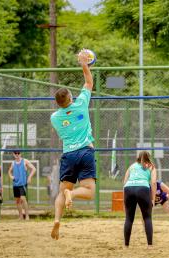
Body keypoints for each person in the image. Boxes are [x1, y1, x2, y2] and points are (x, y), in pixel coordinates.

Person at [50, 49, 96, 240]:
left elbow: (64, 114)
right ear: (70, 99)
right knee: (89, 191)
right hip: (85, 151)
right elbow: (88, 82)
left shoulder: (54, 117)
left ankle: (57, 221)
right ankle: (73, 194)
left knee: (61, 192)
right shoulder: (81, 104)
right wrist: (84, 63)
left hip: (68, 155)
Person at [123, 151, 157, 247]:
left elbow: (125, 182)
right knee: (147, 218)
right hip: (143, 189)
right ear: (149, 158)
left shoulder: (132, 166)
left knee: (129, 218)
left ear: (138, 157)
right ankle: (149, 245)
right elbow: (153, 183)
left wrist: (124, 198)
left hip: (128, 189)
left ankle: (126, 245)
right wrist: (153, 199)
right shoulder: (151, 167)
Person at [8, 151, 36, 220]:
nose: (17, 154)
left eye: (18, 153)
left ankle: (27, 216)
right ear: (13, 154)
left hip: (22, 184)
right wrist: (11, 176)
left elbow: (34, 169)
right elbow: (9, 171)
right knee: (17, 201)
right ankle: (20, 216)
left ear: (20, 154)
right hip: (15, 184)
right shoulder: (13, 163)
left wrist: (29, 177)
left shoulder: (25, 161)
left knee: (23, 199)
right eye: (15, 153)